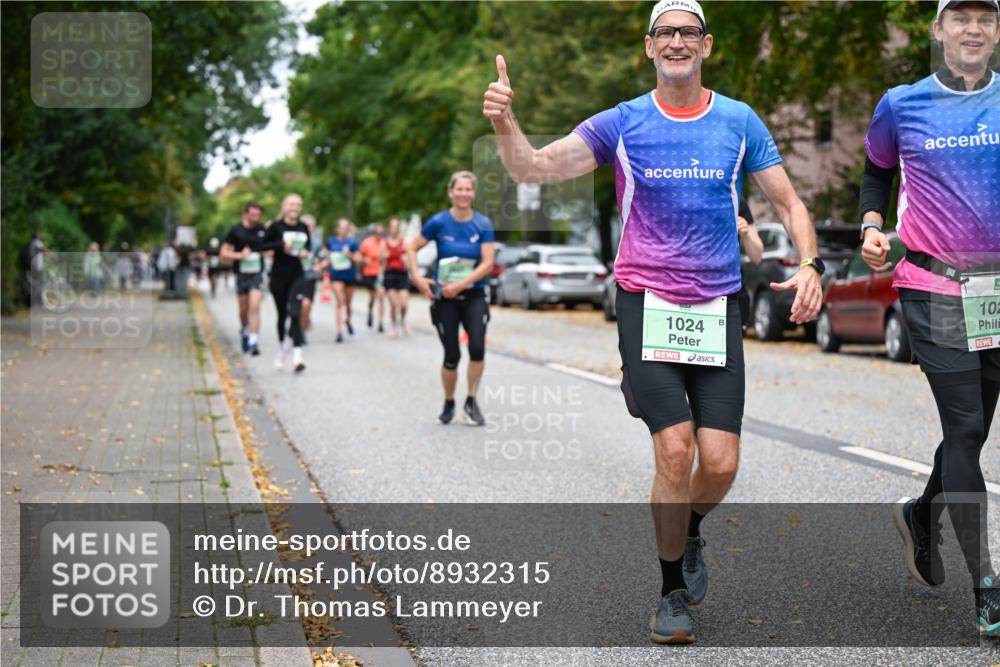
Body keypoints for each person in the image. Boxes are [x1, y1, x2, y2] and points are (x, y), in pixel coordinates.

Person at [483, 0, 822, 643]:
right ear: (648, 46)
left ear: (706, 44)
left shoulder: (739, 121)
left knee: (719, 463)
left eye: (687, 33)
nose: (676, 42)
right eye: (665, 33)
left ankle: (689, 528)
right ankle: (671, 592)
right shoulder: (623, 123)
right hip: (648, 306)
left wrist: (810, 264)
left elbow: (791, 201)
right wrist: (506, 123)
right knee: (675, 446)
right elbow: (533, 167)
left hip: (719, 306)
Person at [859, 0, 1000, 636]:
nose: (973, 29)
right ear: (939, 29)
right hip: (933, 284)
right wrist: (870, 225)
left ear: (996, 32)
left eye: (986, 18)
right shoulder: (901, 104)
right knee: (967, 428)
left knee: (972, 431)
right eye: (960, 17)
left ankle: (922, 514)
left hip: (997, 292)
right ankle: (987, 585)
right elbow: (875, 174)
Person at [407, 171, 496, 427]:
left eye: (468, 189)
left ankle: (471, 400)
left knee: (477, 348)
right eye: (459, 189)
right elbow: (411, 248)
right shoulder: (438, 222)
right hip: (445, 298)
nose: (464, 194)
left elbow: (488, 261)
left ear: (473, 193)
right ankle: (448, 401)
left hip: (474, 294)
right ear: (451, 192)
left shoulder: (482, 224)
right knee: (452, 355)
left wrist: (461, 284)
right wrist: (417, 278)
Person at [263, 193, 311, 372]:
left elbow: (308, 248)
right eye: (291, 204)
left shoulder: (303, 227)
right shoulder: (275, 227)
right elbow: (262, 246)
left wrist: (305, 252)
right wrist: (281, 246)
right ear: (284, 207)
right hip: (278, 275)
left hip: (297, 274)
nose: (295, 208)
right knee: (282, 315)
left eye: (298, 205)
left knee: (296, 313)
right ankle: (283, 348)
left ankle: (298, 357)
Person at [221, 202, 267, 355]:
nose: (255, 217)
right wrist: (240, 255)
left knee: (255, 306)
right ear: (246, 214)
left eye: (258, 215)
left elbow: (270, 249)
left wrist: (265, 253)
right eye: (253, 214)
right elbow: (224, 253)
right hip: (241, 274)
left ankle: (253, 341)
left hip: (257, 274)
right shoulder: (236, 230)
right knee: (243, 309)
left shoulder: (262, 230)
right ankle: (245, 330)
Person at [327, 218, 361, 343]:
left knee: (347, 304)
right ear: (337, 229)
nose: (344, 229)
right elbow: (327, 255)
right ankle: (339, 331)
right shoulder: (331, 241)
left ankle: (348, 321)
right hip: (336, 276)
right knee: (339, 302)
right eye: (341, 227)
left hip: (349, 276)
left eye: (346, 227)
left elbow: (359, 259)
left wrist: (350, 255)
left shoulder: (352, 243)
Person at [383, 217, 412, 338]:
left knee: (404, 304)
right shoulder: (384, 242)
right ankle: (393, 326)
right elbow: (380, 261)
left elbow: (410, 261)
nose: (394, 229)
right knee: (394, 303)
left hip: (402, 275)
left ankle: (403, 321)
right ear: (389, 228)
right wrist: (383, 257)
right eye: (392, 226)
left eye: (397, 226)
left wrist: (407, 261)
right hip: (390, 275)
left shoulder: (404, 242)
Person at [359, 223, 387, 332]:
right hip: (369, 273)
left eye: (381, 233)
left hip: (380, 274)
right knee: (373, 297)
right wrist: (365, 260)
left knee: (381, 296)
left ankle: (381, 322)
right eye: (377, 233)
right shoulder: (367, 243)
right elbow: (360, 256)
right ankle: (370, 312)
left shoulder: (384, 243)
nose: (379, 235)